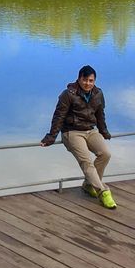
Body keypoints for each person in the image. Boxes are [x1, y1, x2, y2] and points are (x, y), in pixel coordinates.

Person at [40, 65, 116, 209]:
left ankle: (89, 185)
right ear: (79, 78)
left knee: (105, 154)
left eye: (91, 80)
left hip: (90, 130)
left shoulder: (98, 93)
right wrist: (51, 137)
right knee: (86, 161)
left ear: (94, 81)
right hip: (72, 132)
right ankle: (103, 192)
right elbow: (59, 116)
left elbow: (100, 114)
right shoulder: (68, 94)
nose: (87, 83)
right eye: (85, 80)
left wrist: (104, 131)